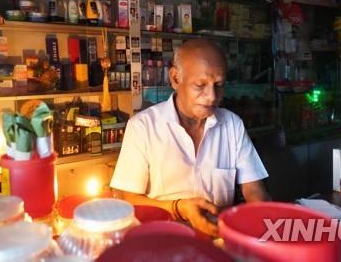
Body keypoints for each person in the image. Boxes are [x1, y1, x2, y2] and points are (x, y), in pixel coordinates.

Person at [110, 39, 270, 236]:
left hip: (219, 240)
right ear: (176, 78)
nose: (211, 96)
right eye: (200, 85)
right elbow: (128, 199)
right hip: (163, 243)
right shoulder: (143, 127)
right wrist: (179, 208)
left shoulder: (232, 125)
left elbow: (254, 190)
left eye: (219, 85)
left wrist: (265, 225)